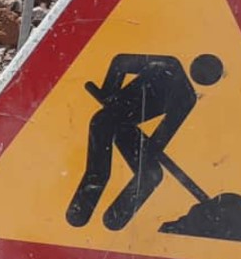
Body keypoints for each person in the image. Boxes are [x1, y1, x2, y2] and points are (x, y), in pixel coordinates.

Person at [66, 52, 222, 231]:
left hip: (126, 127)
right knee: (99, 172)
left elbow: (163, 135)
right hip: (105, 120)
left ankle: (114, 220)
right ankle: (79, 213)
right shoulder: (168, 65)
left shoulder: (187, 99)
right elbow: (120, 62)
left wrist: (152, 148)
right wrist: (111, 94)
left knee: (151, 174)